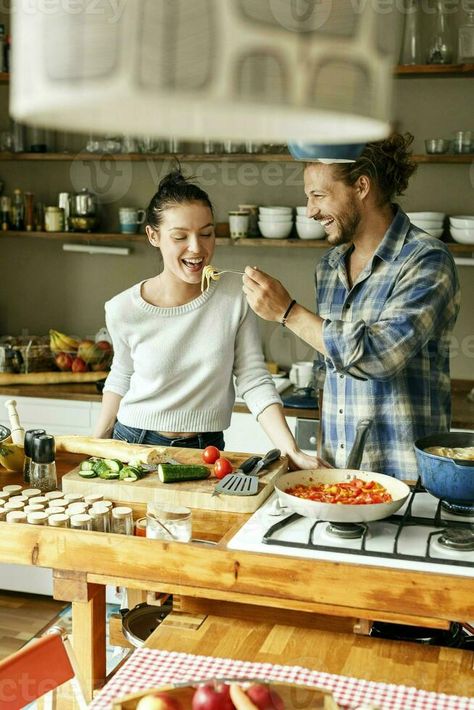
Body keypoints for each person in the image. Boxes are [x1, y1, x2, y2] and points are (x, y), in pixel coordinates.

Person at [242, 134, 460, 480]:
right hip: (336, 477)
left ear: (361, 186)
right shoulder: (329, 267)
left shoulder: (426, 260)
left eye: (318, 196)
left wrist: (288, 312)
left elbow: (380, 356)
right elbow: (327, 372)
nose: (311, 211)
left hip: (404, 480)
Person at [93, 169, 317, 470]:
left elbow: (253, 378)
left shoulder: (235, 298)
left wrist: (292, 450)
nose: (197, 248)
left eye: (207, 233)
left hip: (207, 449)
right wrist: (96, 443)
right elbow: (121, 374)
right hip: (134, 444)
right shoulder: (123, 308)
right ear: (153, 236)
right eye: (180, 236)